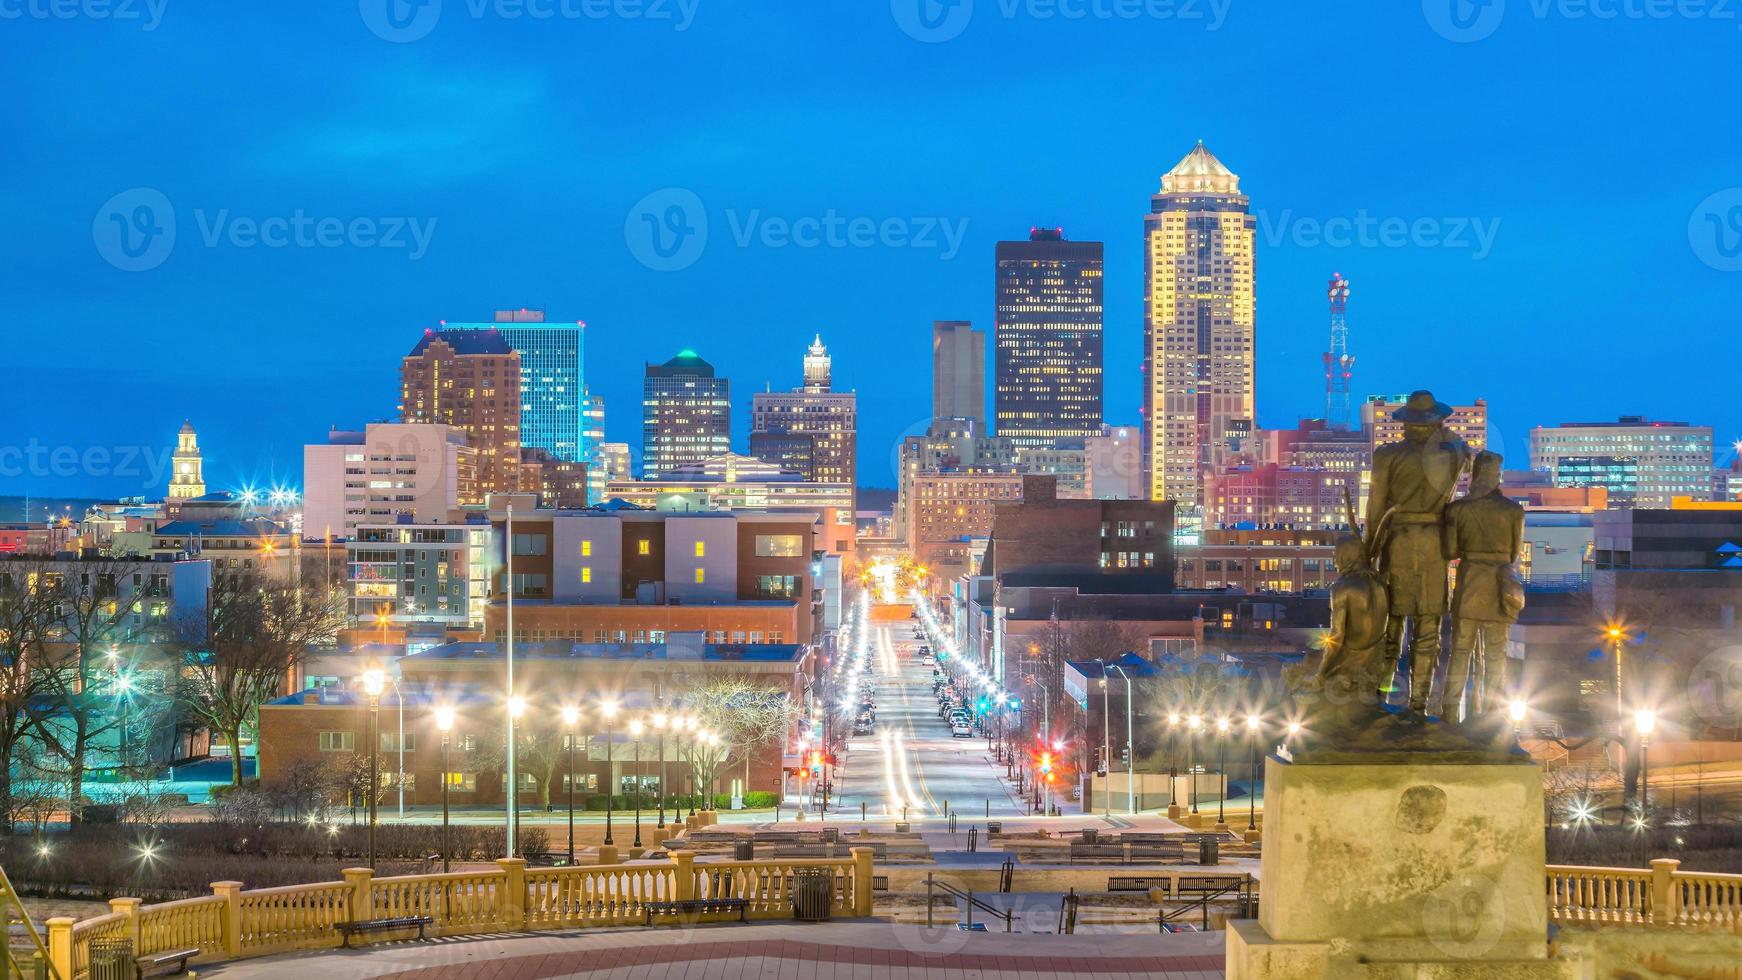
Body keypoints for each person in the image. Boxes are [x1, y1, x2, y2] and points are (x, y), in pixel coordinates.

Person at [1367, 390, 1473, 713]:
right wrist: (1441, 430)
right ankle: (1418, 704)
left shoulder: (1387, 456)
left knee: (1391, 624)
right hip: (1434, 545)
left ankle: (1381, 696)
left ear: (1405, 424)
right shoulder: (1451, 453)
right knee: (1428, 629)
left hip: (1397, 542)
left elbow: (1375, 508)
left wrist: (1368, 550)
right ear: (1435, 422)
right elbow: (1463, 447)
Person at [1441, 451, 1526, 721]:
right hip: (1499, 587)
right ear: (1498, 476)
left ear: (1475, 475)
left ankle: (1450, 712)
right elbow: (1513, 555)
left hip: (1469, 584)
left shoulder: (1457, 509)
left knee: (1460, 652)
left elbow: (1450, 549)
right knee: (1495, 656)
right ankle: (1491, 716)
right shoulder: (1514, 511)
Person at [1318, 535, 1391, 717]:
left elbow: (1337, 636)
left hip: (1349, 664)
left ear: (1346, 555)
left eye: (1336, 554)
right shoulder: (1380, 584)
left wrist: (1321, 673)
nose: (1334, 560)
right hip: (1374, 662)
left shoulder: (1342, 587)